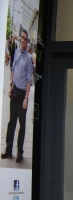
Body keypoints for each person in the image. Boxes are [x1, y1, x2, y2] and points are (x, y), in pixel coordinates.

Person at [1, 29, 33, 163]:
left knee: (22, 124)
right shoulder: (16, 52)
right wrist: (10, 86)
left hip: (22, 95)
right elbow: (13, 69)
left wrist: (26, 99)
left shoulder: (28, 59)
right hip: (14, 91)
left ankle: (20, 152)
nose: (24, 41)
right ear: (20, 39)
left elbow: (29, 81)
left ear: (27, 42)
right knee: (11, 122)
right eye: (23, 39)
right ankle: (8, 150)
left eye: (26, 39)